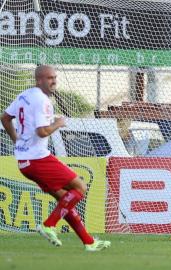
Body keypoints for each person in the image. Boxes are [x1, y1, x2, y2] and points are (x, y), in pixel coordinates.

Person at [0, 65, 110, 251]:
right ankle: (49, 224)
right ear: (39, 80)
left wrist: (17, 141)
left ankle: (89, 243)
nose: (54, 81)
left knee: (64, 200)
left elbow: (5, 118)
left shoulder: (24, 95)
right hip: (38, 159)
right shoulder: (42, 101)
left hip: (25, 161)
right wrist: (57, 123)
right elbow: (42, 132)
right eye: (49, 78)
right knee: (80, 187)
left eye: (54, 78)